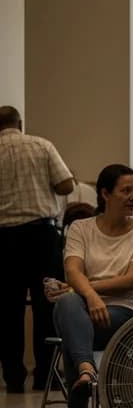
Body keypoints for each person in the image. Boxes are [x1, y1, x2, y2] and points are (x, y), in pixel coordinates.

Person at [42, 164, 133, 408]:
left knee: (70, 313)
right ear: (105, 194)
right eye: (126, 191)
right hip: (82, 310)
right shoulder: (81, 228)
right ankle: (87, 368)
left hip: (127, 312)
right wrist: (90, 297)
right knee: (69, 308)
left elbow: (130, 280)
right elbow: (73, 270)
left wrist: (84, 290)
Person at [0, 105, 75, 393]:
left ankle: (13, 377)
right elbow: (66, 184)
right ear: (20, 123)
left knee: (7, 309)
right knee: (47, 303)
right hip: (39, 235)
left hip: (3, 238)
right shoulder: (41, 145)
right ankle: (45, 375)